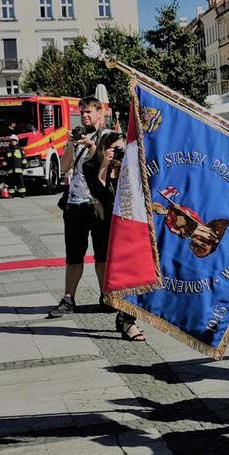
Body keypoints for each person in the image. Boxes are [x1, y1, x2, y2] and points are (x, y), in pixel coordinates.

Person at [48, 96, 110, 318]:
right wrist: (71, 145)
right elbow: (65, 167)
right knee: (73, 255)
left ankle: (106, 297)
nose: (84, 116)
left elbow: (105, 164)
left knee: (102, 254)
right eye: (82, 112)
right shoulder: (76, 138)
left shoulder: (107, 137)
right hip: (75, 204)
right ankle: (68, 298)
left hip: (98, 204)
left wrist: (92, 145)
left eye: (89, 112)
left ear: (99, 114)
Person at [83, 131, 145, 341]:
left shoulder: (132, 170)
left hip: (129, 228)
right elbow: (99, 192)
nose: (119, 153)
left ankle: (127, 318)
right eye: (115, 149)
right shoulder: (90, 166)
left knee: (132, 276)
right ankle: (125, 318)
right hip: (105, 228)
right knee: (118, 278)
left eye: (122, 148)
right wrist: (105, 165)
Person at [5, 134, 27, 198]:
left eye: (14, 141)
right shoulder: (7, 150)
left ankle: (22, 194)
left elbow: (24, 159)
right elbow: (6, 160)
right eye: (12, 141)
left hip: (19, 169)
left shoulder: (20, 150)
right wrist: (6, 168)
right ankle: (11, 194)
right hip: (10, 170)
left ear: (16, 142)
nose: (13, 142)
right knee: (11, 183)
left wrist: (23, 167)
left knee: (20, 182)